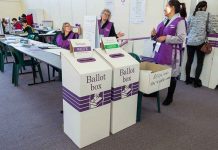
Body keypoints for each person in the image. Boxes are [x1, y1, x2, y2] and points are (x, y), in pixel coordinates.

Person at [151, 0, 187, 105]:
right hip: (160, 52)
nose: (164, 8)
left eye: (166, 6)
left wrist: (166, 38)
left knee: (171, 75)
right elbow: (159, 37)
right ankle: (154, 92)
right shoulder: (165, 20)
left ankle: (170, 97)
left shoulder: (180, 21)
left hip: (172, 54)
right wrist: (154, 35)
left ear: (172, 8)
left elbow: (181, 38)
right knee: (158, 72)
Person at [185, 1, 211, 88]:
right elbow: (209, 29)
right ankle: (196, 82)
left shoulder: (192, 14)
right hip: (200, 42)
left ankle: (187, 79)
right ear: (205, 7)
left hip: (190, 41)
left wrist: (191, 35)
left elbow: (187, 28)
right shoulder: (207, 14)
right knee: (200, 62)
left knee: (189, 61)